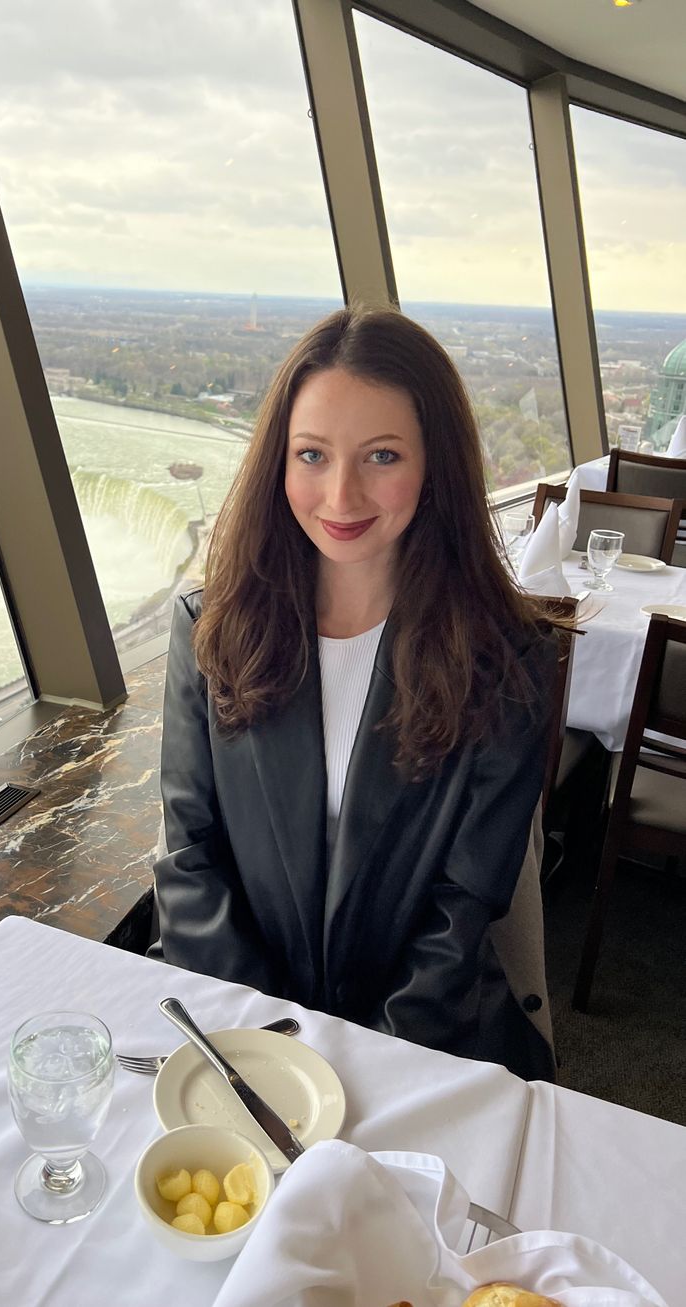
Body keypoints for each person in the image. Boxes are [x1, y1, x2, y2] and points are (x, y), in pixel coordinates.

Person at [149, 304, 561, 1081]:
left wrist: (357, 1066)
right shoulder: (211, 630)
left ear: (435, 464)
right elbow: (189, 857)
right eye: (312, 454)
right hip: (239, 1037)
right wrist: (272, 1049)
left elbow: (462, 908)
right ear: (278, 461)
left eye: (381, 455)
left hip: (424, 1044)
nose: (340, 495)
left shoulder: (508, 659)